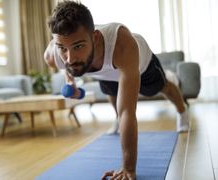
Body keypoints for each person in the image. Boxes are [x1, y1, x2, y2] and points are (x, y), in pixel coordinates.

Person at [44, 1, 189, 179]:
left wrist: (129, 169)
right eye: (62, 49)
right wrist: (70, 81)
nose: (70, 58)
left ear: (95, 37)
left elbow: (128, 111)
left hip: (138, 64)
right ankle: (116, 118)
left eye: (78, 46)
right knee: (111, 93)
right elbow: (65, 64)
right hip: (105, 71)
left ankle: (182, 111)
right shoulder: (52, 56)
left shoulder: (122, 44)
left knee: (160, 87)